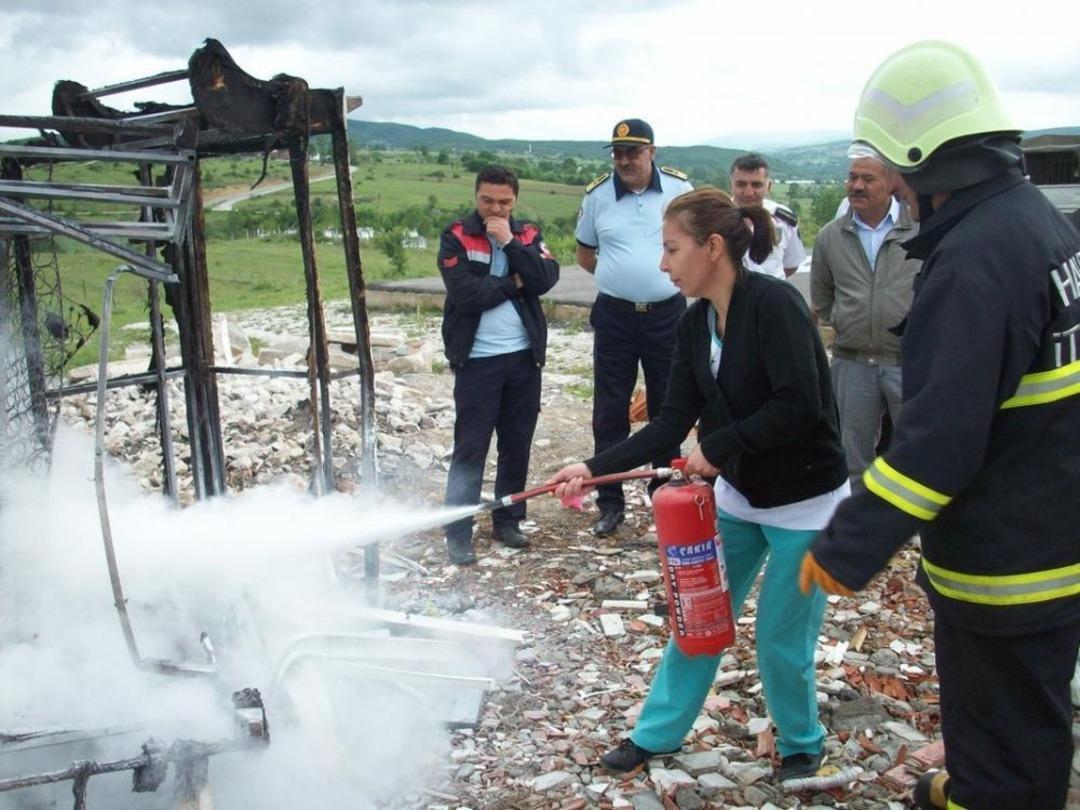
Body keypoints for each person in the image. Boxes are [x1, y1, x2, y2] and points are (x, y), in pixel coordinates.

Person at [800, 41, 1080, 810]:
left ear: (921, 164)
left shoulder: (974, 264)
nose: (894, 187)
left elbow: (940, 442)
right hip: (1052, 534)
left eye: (894, 168)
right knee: (1027, 725)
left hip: (1008, 569)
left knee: (1008, 755)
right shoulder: (1040, 226)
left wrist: (848, 542)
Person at [553, 187, 850, 782]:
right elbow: (668, 419)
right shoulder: (693, 323)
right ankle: (654, 734)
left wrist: (716, 447)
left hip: (807, 506)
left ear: (712, 248)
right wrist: (592, 465)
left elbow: (801, 405)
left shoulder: (775, 306)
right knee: (698, 618)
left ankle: (800, 742)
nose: (662, 264)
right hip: (739, 498)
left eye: (671, 249)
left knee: (778, 641)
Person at [575, 118, 693, 536]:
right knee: (610, 411)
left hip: (668, 316)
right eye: (618, 152)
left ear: (652, 152)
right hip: (615, 315)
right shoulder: (598, 196)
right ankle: (610, 504)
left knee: (667, 409)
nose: (625, 159)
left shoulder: (680, 190)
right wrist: (621, 277)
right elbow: (586, 254)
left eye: (634, 151)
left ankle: (665, 499)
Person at [438, 165, 560, 565]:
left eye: (504, 202)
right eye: (487, 200)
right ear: (476, 196)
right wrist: (513, 282)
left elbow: (543, 278)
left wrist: (510, 244)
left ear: (515, 201)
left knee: (516, 443)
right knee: (470, 447)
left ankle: (508, 521)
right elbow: (468, 296)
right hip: (477, 361)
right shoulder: (456, 236)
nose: (495, 209)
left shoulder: (525, 233)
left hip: (523, 358)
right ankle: (458, 530)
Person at [810, 157, 921, 481]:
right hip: (853, 362)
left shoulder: (918, 228)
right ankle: (864, 530)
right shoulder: (831, 237)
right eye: (852, 178)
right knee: (852, 459)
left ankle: (919, 530)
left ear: (890, 182)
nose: (857, 186)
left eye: (868, 179)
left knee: (917, 455)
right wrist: (849, 321)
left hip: (909, 362)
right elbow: (822, 298)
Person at [728, 153, 807, 278]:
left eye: (756, 185)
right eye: (741, 184)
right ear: (731, 185)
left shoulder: (783, 220)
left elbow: (791, 265)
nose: (749, 192)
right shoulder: (715, 219)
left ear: (768, 186)